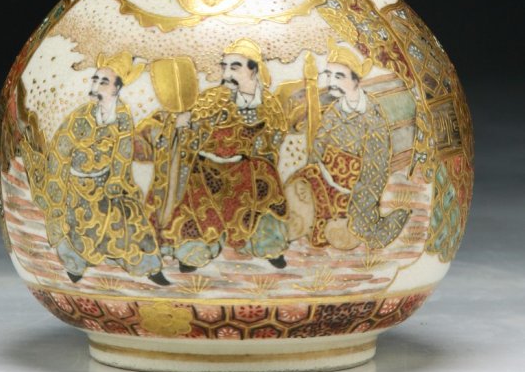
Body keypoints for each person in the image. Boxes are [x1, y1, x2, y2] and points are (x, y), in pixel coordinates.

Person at [20, 51, 169, 285]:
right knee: (75, 228)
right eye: (96, 79)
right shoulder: (80, 117)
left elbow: (123, 152)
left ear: (117, 88)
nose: (96, 85)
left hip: (108, 183)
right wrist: (58, 192)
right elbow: (60, 154)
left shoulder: (122, 116)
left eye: (104, 81)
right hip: (76, 187)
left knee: (131, 219)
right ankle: (75, 268)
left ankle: (149, 267)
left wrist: (117, 181)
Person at [144, 39, 289, 270]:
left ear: (253, 70)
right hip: (207, 170)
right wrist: (179, 124)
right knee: (193, 201)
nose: (227, 74)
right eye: (225, 67)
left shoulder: (269, 105)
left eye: (235, 67)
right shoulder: (211, 99)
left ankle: (268, 247)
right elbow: (185, 127)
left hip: (244, 169)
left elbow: (274, 140)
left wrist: (256, 155)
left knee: (266, 182)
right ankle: (193, 252)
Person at [285, 45, 410, 249]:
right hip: (322, 175)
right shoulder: (335, 109)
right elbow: (319, 145)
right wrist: (314, 169)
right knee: (297, 191)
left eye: (339, 76)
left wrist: (360, 200)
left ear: (355, 79)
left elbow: (376, 168)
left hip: (351, 188)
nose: (331, 82)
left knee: (340, 231)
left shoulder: (372, 116)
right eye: (329, 75)